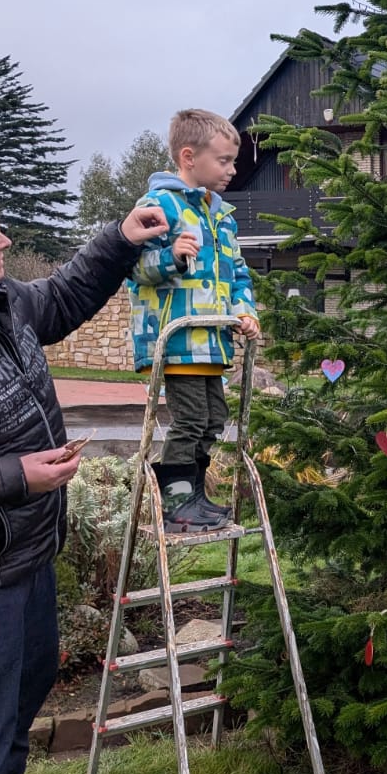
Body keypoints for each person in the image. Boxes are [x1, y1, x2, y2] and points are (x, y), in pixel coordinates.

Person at [0, 181, 171, 774]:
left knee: (33, 673)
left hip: (29, 549)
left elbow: (68, 295)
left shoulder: (3, 306)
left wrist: (120, 238)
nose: (6, 242)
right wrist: (14, 474)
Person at [127, 109, 259, 532]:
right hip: (178, 339)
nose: (232, 170)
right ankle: (177, 502)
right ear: (189, 157)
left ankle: (194, 496)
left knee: (213, 421)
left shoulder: (220, 215)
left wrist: (245, 311)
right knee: (188, 421)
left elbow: (238, 272)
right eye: (223, 161)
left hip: (213, 341)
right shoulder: (158, 206)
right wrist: (171, 257)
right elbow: (133, 268)